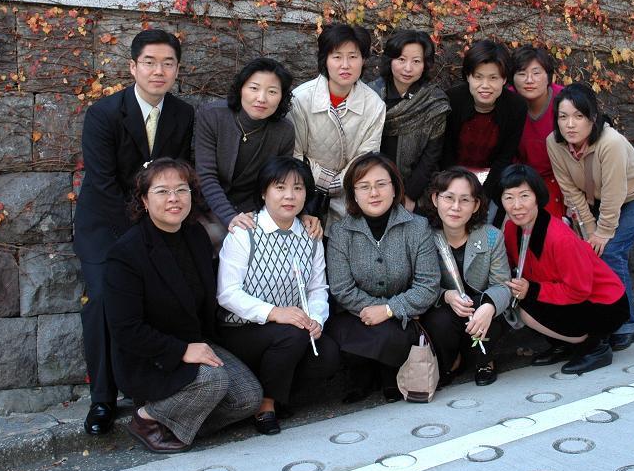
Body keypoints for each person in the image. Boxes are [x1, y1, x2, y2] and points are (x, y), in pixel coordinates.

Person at [73, 29, 195, 436]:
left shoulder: (183, 114)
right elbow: (103, 183)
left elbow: (179, 173)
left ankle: (158, 385)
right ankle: (102, 399)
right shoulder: (104, 114)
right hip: (106, 224)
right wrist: (141, 231)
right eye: (150, 63)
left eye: (168, 64)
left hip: (158, 221)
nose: (159, 71)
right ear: (133, 67)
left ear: (177, 69)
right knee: (103, 298)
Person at [104, 159, 262, 453]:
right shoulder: (126, 253)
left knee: (248, 398)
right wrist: (181, 351)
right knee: (214, 380)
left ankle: (171, 423)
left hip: (195, 342)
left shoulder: (195, 235)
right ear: (144, 200)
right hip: (151, 357)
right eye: (162, 191)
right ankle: (145, 418)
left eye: (181, 189)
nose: (174, 198)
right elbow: (126, 330)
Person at [216, 157, 339, 435]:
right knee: (291, 335)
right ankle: (266, 404)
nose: (289, 196)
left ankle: (278, 390)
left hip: (288, 330)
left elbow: (317, 289)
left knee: (328, 353)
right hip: (241, 329)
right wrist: (274, 312)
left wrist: (316, 318)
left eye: (298, 188)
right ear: (264, 192)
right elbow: (227, 294)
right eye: (280, 187)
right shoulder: (244, 232)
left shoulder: (310, 235)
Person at [547, 82, 634, 351]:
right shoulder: (554, 143)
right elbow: (570, 190)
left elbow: (614, 192)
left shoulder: (610, 143)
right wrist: (590, 232)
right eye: (563, 117)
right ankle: (602, 318)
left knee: (610, 251)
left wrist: (602, 233)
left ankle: (625, 324)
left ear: (592, 117)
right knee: (590, 251)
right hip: (598, 200)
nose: (570, 124)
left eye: (578, 116)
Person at [324, 152, 439, 403]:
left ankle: (389, 374)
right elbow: (342, 289)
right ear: (353, 194)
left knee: (393, 334)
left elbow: (428, 285)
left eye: (381, 184)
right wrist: (374, 311)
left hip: (402, 315)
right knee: (340, 339)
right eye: (364, 187)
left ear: (394, 188)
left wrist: (389, 310)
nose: (373, 193)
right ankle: (365, 374)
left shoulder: (417, 227)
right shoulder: (340, 232)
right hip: (356, 315)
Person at [500, 164, 630, 375]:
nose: (516, 205)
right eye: (508, 198)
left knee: (526, 308)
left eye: (524, 196)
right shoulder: (511, 229)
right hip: (568, 295)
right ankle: (564, 345)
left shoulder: (560, 238)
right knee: (518, 302)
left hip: (605, 303)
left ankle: (595, 347)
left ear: (537, 197)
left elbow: (579, 289)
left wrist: (532, 290)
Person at [194, 58, 321, 246]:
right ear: (241, 88)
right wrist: (230, 217)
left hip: (254, 208)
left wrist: (301, 214)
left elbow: (281, 179)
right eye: (254, 88)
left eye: (272, 92)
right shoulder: (212, 116)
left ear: (282, 96)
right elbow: (206, 175)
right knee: (211, 237)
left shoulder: (283, 130)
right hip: (208, 205)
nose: (261, 98)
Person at [420, 167, 511, 387]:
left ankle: (485, 361)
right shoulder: (423, 237)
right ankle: (453, 361)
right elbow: (419, 284)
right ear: (435, 199)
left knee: (489, 311)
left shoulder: (492, 236)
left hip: (480, 307)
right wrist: (446, 296)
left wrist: (489, 307)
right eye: (448, 198)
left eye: (465, 200)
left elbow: (502, 285)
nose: (455, 207)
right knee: (438, 321)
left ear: (476, 205)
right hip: (447, 309)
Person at [291, 23, 386, 231]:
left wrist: (339, 183)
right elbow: (295, 154)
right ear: (325, 60)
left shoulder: (374, 105)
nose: (345, 65)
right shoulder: (300, 99)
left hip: (350, 196)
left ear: (363, 60)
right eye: (337, 57)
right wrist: (321, 180)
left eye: (353, 56)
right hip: (303, 193)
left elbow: (365, 157)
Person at [441, 39, 527, 220]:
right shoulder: (452, 100)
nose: (485, 85)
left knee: (484, 222)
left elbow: (505, 157)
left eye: (493, 78)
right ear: (468, 77)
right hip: (451, 177)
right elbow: (445, 151)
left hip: (492, 181)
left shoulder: (516, 106)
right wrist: (458, 188)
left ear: (504, 79)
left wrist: (482, 195)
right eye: (478, 77)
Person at [368, 29, 450, 211]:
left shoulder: (434, 102)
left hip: (415, 189)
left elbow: (432, 155)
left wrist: (410, 194)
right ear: (390, 60)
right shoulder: (370, 94)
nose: (408, 68)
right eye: (401, 59)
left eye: (416, 61)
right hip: (371, 185)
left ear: (425, 64)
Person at [510, 46, 566, 219]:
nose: (529, 80)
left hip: (560, 177)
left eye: (536, 73)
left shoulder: (565, 101)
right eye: (521, 73)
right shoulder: (506, 101)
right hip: (520, 176)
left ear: (548, 76)